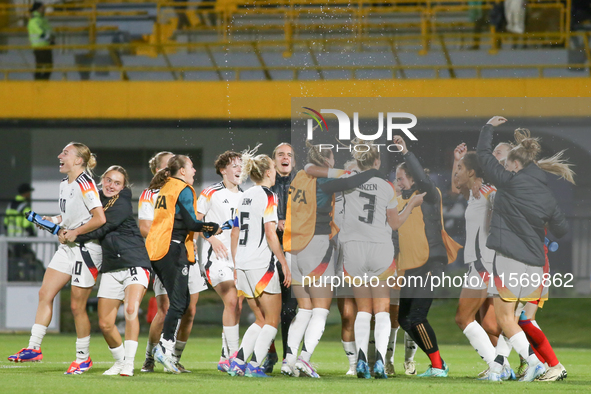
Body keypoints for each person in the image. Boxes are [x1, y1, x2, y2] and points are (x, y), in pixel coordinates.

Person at [477, 116, 573, 382]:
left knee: (505, 319)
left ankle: (538, 364)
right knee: (516, 319)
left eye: (507, 164)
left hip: (510, 259)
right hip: (535, 264)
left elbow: (483, 157)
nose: (505, 168)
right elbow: (563, 230)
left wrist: (487, 128)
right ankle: (498, 369)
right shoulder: (547, 195)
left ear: (516, 164)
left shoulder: (510, 181)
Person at [283, 144, 386, 378]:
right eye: (332, 159)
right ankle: (304, 360)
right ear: (327, 161)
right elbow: (348, 183)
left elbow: (313, 169)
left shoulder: (299, 176)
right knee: (320, 310)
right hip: (315, 244)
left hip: (293, 248)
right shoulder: (324, 182)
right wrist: (372, 171)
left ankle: (288, 362)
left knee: (304, 309)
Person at [8, 142, 106, 375]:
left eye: (65, 153)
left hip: (86, 249)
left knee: (76, 306)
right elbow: (70, 215)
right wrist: (52, 219)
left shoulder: (86, 183)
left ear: (79, 160)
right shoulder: (64, 184)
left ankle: (83, 358)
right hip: (67, 247)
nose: (59, 155)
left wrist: (74, 232)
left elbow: (99, 218)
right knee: (45, 293)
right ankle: (34, 348)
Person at [335, 140, 423, 380]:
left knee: (363, 309)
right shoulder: (386, 187)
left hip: (353, 248)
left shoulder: (347, 183)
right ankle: (381, 362)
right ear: (377, 161)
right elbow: (394, 223)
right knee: (382, 310)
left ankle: (362, 359)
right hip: (380, 248)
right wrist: (412, 204)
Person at [394, 135, 461, 378]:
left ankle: (438, 366)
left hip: (432, 263)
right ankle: (438, 362)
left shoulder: (429, 194)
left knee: (417, 316)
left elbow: (422, 179)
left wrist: (406, 152)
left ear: (413, 178)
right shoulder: (404, 201)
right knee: (404, 318)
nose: (398, 182)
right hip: (413, 265)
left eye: (401, 178)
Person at [145, 155, 220, 374]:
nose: (195, 170)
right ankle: (165, 349)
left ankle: (165, 352)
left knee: (183, 301)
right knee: (178, 303)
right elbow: (191, 223)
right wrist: (212, 227)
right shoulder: (182, 188)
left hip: (157, 249)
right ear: (183, 171)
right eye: (192, 167)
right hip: (172, 248)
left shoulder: (165, 187)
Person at [74, 166, 150, 377]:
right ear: (102, 181)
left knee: (131, 309)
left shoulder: (123, 200)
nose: (111, 186)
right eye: (108, 180)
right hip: (111, 267)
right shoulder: (96, 201)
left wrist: (74, 235)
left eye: (117, 183)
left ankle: (129, 363)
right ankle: (119, 361)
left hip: (135, 261)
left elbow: (102, 228)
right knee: (106, 324)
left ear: (123, 187)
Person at [450, 146, 513, 380]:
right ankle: (503, 366)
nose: (455, 173)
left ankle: (499, 368)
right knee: (488, 323)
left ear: (473, 173)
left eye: (460, 169)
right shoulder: (477, 192)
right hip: (481, 263)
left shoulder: (486, 192)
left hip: (483, 264)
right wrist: (457, 161)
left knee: (463, 317)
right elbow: (456, 187)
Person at [228, 149, 291, 378]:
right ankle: (255, 366)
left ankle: (239, 362)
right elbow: (270, 232)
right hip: (260, 264)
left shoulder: (243, 196)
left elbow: (235, 232)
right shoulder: (268, 196)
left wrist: (236, 265)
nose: (275, 173)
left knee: (260, 319)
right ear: (266, 172)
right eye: (273, 169)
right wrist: (283, 262)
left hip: (243, 263)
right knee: (272, 320)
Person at [196, 150, 244, 372]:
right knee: (232, 300)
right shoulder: (210, 192)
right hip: (215, 257)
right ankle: (233, 357)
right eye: (234, 165)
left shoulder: (245, 195)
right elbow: (195, 222)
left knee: (237, 305)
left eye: (240, 165)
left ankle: (225, 356)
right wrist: (211, 237)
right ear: (223, 170)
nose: (239, 169)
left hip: (238, 259)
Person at [262, 142, 297, 373]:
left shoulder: (302, 184)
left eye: (289, 155)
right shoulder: (264, 187)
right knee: (268, 310)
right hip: (267, 254)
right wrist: (275, 223)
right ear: (273, 161)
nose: (285, 158)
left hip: (294, 252)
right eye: (281, 155)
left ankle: (289, 357)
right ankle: (270, 352)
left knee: (291, 308)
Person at [27, 2, 53, 80]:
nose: (44, 9)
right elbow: (40, 32)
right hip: (39, 47)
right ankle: (38, 84)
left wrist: (52, 37)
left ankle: (43, 83)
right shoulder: (34, 21)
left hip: (46, 46)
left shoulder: (43, 20)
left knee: (49, 66)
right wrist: (49, 39)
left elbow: (49, 30)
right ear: (37, 9)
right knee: (40, 66)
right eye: (42, 7)